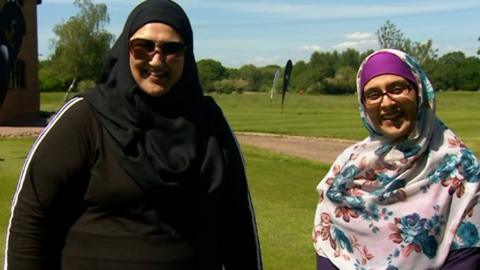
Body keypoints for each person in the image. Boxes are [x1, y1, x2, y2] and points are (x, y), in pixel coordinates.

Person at [4, 1, 262, 269]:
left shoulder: (210, 125)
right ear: (126, 50)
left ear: (187, 55)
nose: (157, 59)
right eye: (143, 47)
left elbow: (238, 228)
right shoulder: (84, 119)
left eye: (172, 49)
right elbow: (30, 219)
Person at [312, 49, 480, 269]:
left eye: (397, 89)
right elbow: (330, 246)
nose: (387, 103)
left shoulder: (460, 167)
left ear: (420, 93)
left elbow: (466, 258)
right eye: (374, 94)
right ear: (363, 104)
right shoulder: (347, 163)